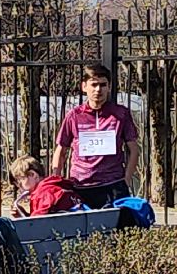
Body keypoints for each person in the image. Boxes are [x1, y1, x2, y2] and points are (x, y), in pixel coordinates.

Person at [52, 62, 139, 208]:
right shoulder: (74, 116)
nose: (98, 89)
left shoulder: (121, 114)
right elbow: (60, 150)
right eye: (94, 85)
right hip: (80, 185)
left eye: (103, 85)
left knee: (116, 229)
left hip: (113, 185)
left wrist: (127, 179)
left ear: (109, 87)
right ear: (84, 86)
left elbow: (134, 149)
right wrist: (56, 180)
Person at [9, 155, 81, 218]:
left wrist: (23, 218)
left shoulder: (43, 193)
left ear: (32, 174)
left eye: (19, 180)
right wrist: (23, 214)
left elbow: (38, 224)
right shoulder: (51, 187)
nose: (18, 186)